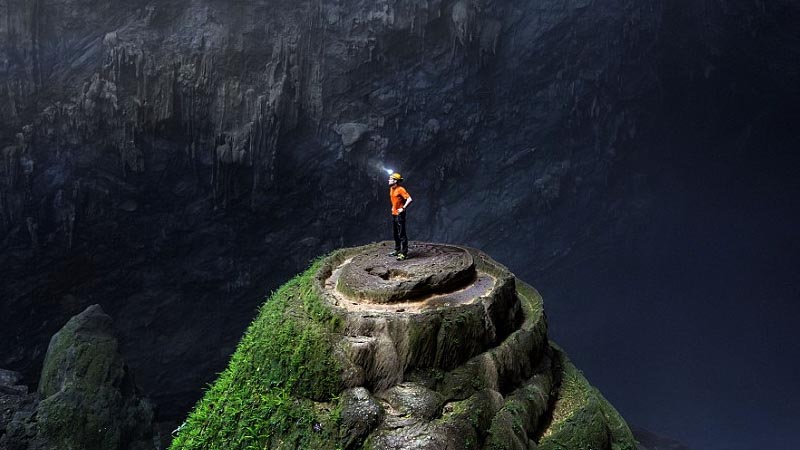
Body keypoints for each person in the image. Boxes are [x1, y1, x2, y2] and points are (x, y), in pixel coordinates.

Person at [387, 172, 412, 260]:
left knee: (402, 234)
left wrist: (403, 208)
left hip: (400, 215)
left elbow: (409, 199)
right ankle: (397, 250)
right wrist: (393, 207)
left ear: (395, 181)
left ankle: (404, 253)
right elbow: (395, 200)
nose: (388, 180)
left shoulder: (400, 189)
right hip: (394, 214)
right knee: (395, 233)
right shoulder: (391, 189)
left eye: (390, 179)